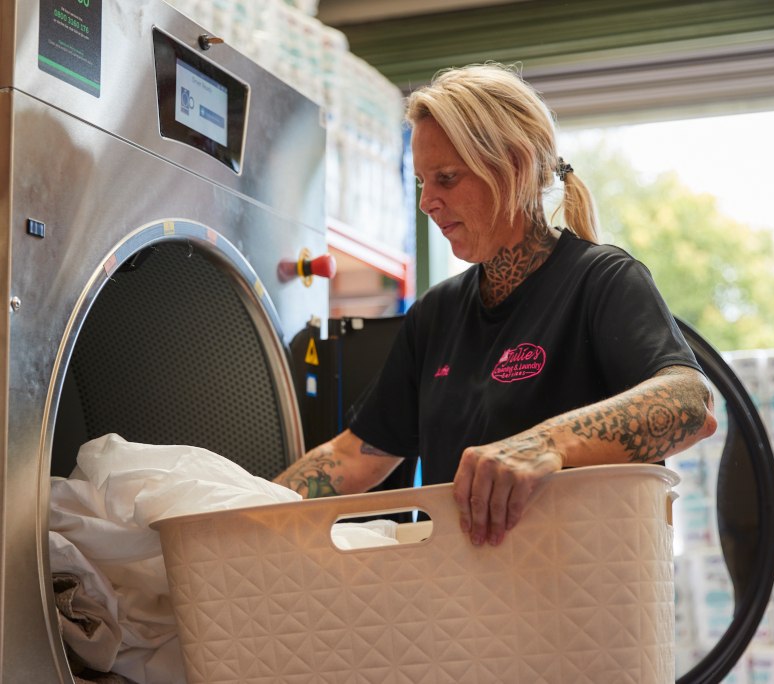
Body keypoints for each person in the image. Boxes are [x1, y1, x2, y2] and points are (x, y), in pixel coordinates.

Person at [275, 63, 716, 547]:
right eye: (422, 182)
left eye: (446, 178)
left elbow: (690, 403)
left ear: (515, 167)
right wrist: (248, 510)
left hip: (582, 583)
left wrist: (546, 443)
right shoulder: (435, 314)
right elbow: (357, 453)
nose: (427, 202)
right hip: (461, 589)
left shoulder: (601, 280)